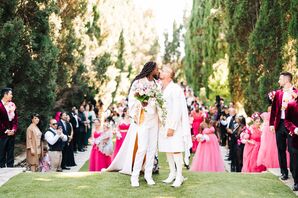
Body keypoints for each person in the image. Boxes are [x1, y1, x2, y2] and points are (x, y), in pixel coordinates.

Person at [105, 62, 160, 187]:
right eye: (157, 69)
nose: (158, 71)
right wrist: (142, 104)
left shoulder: (157, 84)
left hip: (154, 119)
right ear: (151, 69)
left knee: (152, 149)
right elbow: (132, 100)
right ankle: (134, 177)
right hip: (143, 119)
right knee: (142, 148)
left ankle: (148, 175)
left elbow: (160, 100)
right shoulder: (138, 82)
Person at [158, 66, 192, 187]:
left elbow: (178, 109)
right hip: (164, 124)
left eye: (163, 71)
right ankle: (172, 173)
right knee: (168, 149)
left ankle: (179, 176)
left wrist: (172, 126)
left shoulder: (175, 88)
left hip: (174, 125)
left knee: (176, 149)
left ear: (169, 75)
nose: (160, 72)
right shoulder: (162, 88)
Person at [270, 72, 298, 180]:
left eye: (280, 79)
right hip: (280, 125)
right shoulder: (278, 93)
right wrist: (272, 123)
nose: (278, 81)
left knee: (293, 151)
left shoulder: (296, 92)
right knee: (280, 149)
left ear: (286, 80)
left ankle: (295, 175)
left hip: (291, 125)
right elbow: (273, 110)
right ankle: (284, 173)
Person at [0, 88, 18, 168]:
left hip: (12, 133)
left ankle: (11, 170)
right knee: (1, 153)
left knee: (11, 153)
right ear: (5, 94)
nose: (12, 95)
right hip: (2, 134)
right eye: (10, 94)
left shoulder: (12, 105)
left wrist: (13, 129)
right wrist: (6, 130)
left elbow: (15, 120)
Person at [284, 97, 298, 191]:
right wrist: (294, 129)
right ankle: (297, 182)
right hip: (296, 138)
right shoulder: (291, 105)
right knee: (295, 161)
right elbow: (287, 121)